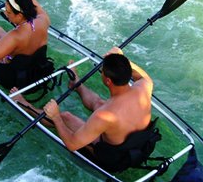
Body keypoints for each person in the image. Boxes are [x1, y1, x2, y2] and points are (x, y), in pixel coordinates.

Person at [14, 47, 161, 173]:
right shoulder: (144, 87)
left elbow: (72, 144)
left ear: (108, 81)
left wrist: (56, 116)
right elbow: (141, 75)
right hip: (141, 145)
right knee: (99, 102)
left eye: (102, 71)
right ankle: (76, 84)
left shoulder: (105, 115)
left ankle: (24, 104)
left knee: (66, 117)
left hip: (117, 158)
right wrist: (121, 58)